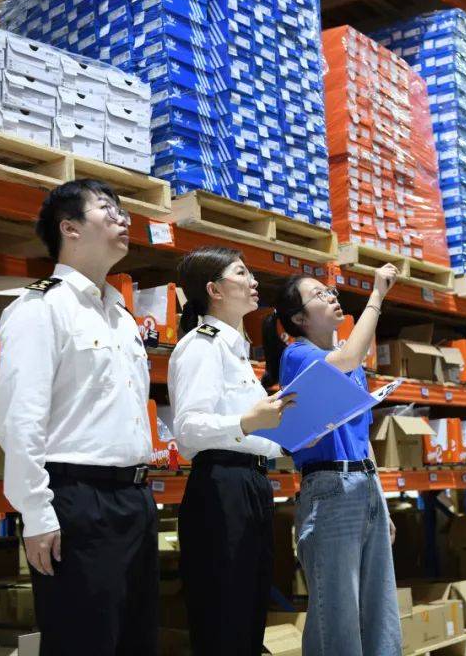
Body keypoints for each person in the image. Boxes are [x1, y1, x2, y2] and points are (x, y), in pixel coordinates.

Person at [0, 179, 157, 656]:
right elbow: (21, 419)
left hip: (135, 497)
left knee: (136, 642)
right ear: (70, 228)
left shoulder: (122, 317)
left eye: (123, 211)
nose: (122, 220)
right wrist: (36, 513)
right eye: (108, 209)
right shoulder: (40, 307)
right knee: (83, 642)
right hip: (78, 501)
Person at [261, 264, 402, 656]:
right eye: (319, 295)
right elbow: (349, 358)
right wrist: (377, 295)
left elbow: (362, 438)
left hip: (364, 485)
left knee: (381, 613)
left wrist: (380, 499)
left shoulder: (348, 363)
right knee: (337, 620)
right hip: (330, 491)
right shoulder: (298, 355)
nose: (331, 297)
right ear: (299, 319)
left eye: (330, 291)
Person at [168, 246, 297, 655]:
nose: (253, 281)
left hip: (250, 483)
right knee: (225, 614)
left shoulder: (236, 352)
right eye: (241, 273)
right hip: (221, 486)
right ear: (214, 290)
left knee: (249, 612)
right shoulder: (201, 346)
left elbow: (253, 430)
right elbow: (188, 430)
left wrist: (294, 436)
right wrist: (247, 421)